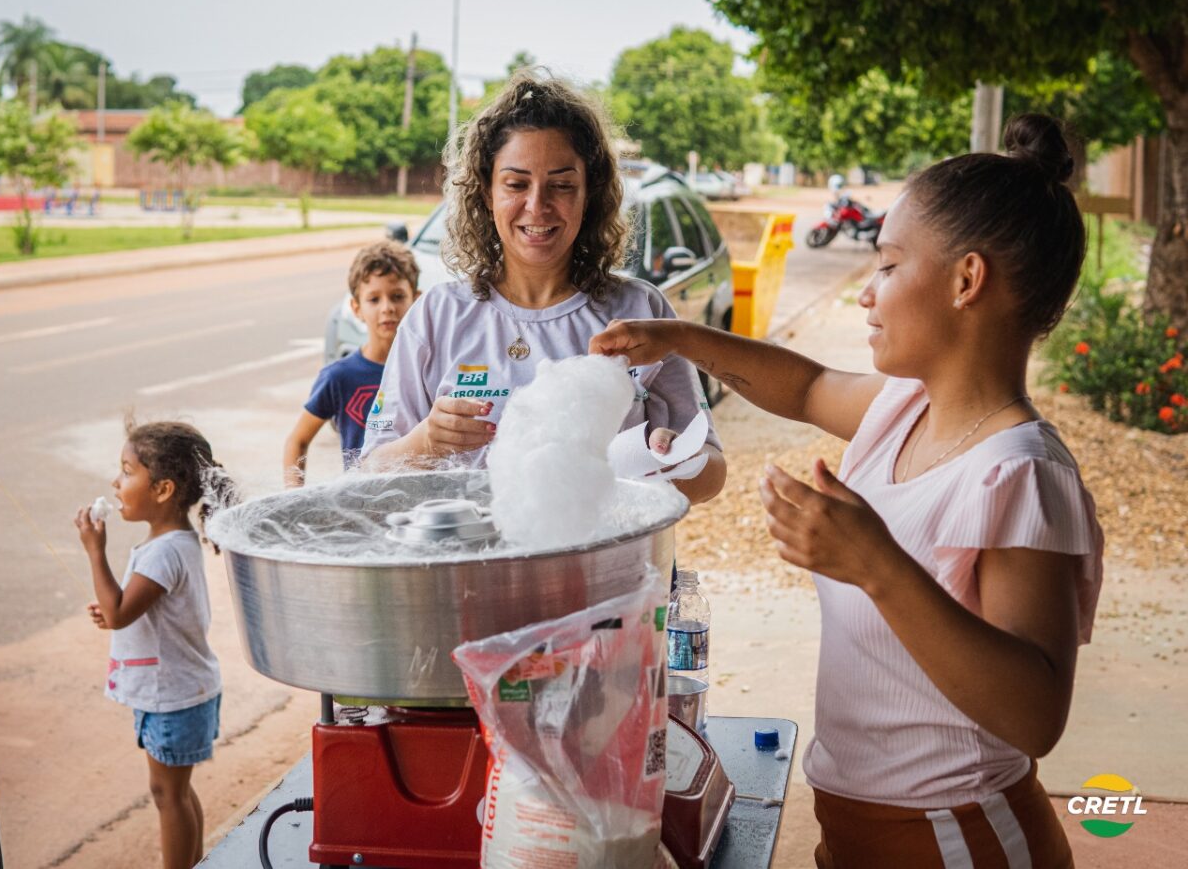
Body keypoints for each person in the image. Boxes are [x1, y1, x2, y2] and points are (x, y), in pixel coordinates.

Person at [591, 113, 1103, 867]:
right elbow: (805, 386)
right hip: (858, 830)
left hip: (957, 839)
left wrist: (876, 565)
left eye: (888, 265)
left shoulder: (1021, 473)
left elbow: (1035, 716)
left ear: (967, 280)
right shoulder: (905, 408)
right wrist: (680, 340)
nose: (868, 293)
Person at [360, 72, 725, 505]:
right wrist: (425, 442)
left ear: (589, 194)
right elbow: (368, 477)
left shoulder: (640, 310)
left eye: (562, 185)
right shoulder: (437, 316)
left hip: (614, 551)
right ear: (486, 192)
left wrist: (674, 462)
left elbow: (712, 471)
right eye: (516, 184)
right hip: (472, 552)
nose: (537, 206)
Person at [74, 420, 237, 869]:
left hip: (173, 698)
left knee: (169, 795)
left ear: (163, 489)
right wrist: (114, 610)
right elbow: (129, 609)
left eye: (127, 472)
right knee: (176, 792)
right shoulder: (172, 543)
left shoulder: (164, 552)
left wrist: (94, 551)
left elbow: (119, 613)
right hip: (181, 691)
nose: (116, 482)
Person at [283, 240, 419, 485]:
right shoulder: (339, 377)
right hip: (361, 502)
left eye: (398, 296)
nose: (387, 308)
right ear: (356, 308)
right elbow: (297, 440)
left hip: (419, 500)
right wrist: (293, 494)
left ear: (417, 300)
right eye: (374, 299)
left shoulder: (426, 369)